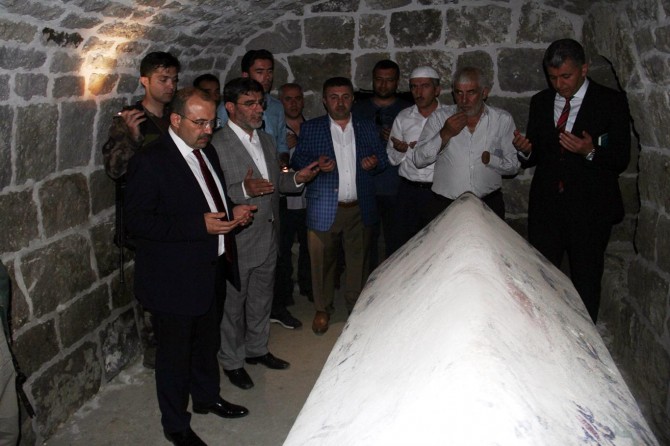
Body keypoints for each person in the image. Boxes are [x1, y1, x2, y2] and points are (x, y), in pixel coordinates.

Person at [124, 87, 255, 446]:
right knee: (175, 357)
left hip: (210, 267)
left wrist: (231, 211)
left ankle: (207, 398)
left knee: (206, 343)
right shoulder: (150, 161)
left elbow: (210, 199)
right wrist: (198, 226)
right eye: (199, 123)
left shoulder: (206, 150)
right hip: (173, 279)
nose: (207, 130)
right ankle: (176, 425)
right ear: (176, 119)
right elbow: (137, 223)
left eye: (212, 122)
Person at [211, 78, 320, 390]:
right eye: (250, 103)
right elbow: (211, 196)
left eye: (260, 103)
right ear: (230, 107)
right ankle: (232, 361)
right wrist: (244, 189)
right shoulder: (216, 145)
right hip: (238, 238)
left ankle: (257, 349)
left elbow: (276, 185)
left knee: (261, 300)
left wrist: (298, 178)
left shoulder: (267, 140)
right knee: (233, 307)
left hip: (269, 234)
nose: (259, 109)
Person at [512, 39, 631, 323]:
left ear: (584, 69)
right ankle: (546, 332)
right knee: (542, 278)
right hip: (548, 209)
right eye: (553, 77)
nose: (559, 84)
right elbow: (538, 154)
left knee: (586, 280)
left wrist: (589, 151)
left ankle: (585, 336)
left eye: (566, 76)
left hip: (590, 210)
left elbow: (621, 159)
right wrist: (525, 150)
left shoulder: (611, 101)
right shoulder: (541, 102)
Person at [102, 51, 180, 369]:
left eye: (174, 79)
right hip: (148, 220)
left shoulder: (177, 116)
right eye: (163, 79)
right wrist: (132, 140)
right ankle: (156, 354)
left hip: (177, 215)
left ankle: (180, 347)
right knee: (153, 292)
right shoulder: (130, 120)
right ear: (144, 81)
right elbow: (115, 170)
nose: (170, 85)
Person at [292, 77, 388, 335]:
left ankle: (355, 306)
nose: (340, 102)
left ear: (353, 99)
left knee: (358, 262)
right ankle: (322, 309)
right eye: (334, 97)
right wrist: (316, 165)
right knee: (322, 263)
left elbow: (382, 159)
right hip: (324, 207)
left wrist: (373, 164)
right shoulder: (312, 128)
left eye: (345, 97)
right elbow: (298, 161)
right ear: (324, 101)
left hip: (359, 206)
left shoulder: (366, 126)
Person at [413, 66, 520, 221]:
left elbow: (514, 166)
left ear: (484, 92)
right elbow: (419, 160)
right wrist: (445, 133)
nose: (463, 100)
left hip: (488, 204)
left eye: (471, 92)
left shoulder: (502, 119)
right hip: (445, 204)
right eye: (459, 93)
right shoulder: (439, 118)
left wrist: (491, 160)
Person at [352, 59, 411, 263]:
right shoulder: (357, 109)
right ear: (373, 80)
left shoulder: (408, 110)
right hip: (366, 186)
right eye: (379, 79)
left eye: (389, 80)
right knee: (366, 244)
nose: (384, 85)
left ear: (397, 82)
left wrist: (398, 139)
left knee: (398, 243)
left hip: (398, 187)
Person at [387, 66, 447, 246]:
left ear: (437, 90)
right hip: (409, 192)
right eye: (414, 87)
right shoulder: (403, 117)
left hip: (439, 192)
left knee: (437, 243)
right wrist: (400, 150)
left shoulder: (449, 117)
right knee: (403, 244)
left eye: (425, 86)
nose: (418, 92)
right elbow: (392, 158)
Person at [272, 83, 313, 325]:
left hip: (308, 198)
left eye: (298, 98)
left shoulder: (311, 128)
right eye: (288, 99)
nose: (294, 103)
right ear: (281, 102)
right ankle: (285, 293)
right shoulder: (276, 131)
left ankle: (308, 286)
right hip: (285, 200)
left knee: (309, 246)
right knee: (283, 249)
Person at [216, 49, 289, 160]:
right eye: (260, 72)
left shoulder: (277, 106)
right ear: (245, 75)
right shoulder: (228, 108)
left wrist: (283, 162)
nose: (267, 77)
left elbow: (282, 145)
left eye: (269, 71)